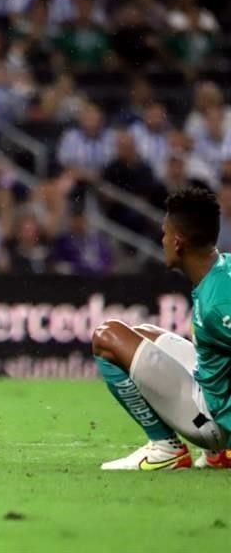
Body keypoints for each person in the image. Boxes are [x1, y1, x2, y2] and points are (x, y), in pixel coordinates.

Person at [92, 187, 231, 470]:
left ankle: (166, 448)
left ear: (178, 242)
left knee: (106, 338)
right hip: (211, 387)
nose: (162, 240)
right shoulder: (222, 267)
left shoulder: (217, 305)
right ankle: (220, 455)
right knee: (143, 334)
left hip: (211, 420)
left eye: (165, 233)